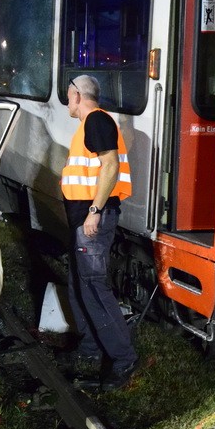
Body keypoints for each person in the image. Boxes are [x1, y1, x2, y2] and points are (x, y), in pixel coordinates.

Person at [58, 74, 139, 391]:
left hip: (93, 218)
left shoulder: (97, 121)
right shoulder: (88, 125)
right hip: (82, 218)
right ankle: (91, 351)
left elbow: (110, 166)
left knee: (93, 288)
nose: (67, 101)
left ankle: (124, 358)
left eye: (68, 95)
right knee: (79, 286)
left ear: (76, 95)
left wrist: (94, 211)